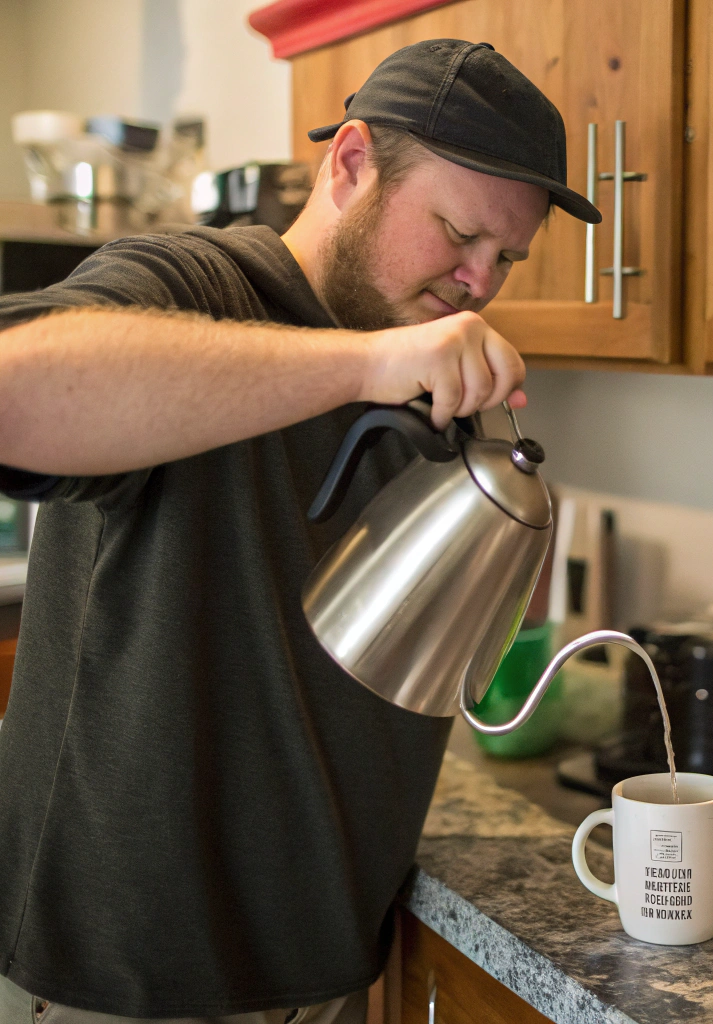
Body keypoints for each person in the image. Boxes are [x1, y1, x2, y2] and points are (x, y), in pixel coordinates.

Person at [0, 40, 600, 1023]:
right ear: (353, 162)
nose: (479, 282)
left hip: (330, 965)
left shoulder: (441, 378)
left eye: (508, 258)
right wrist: (360, 364)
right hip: (127, 978)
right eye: (456, 232)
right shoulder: (193, 287)